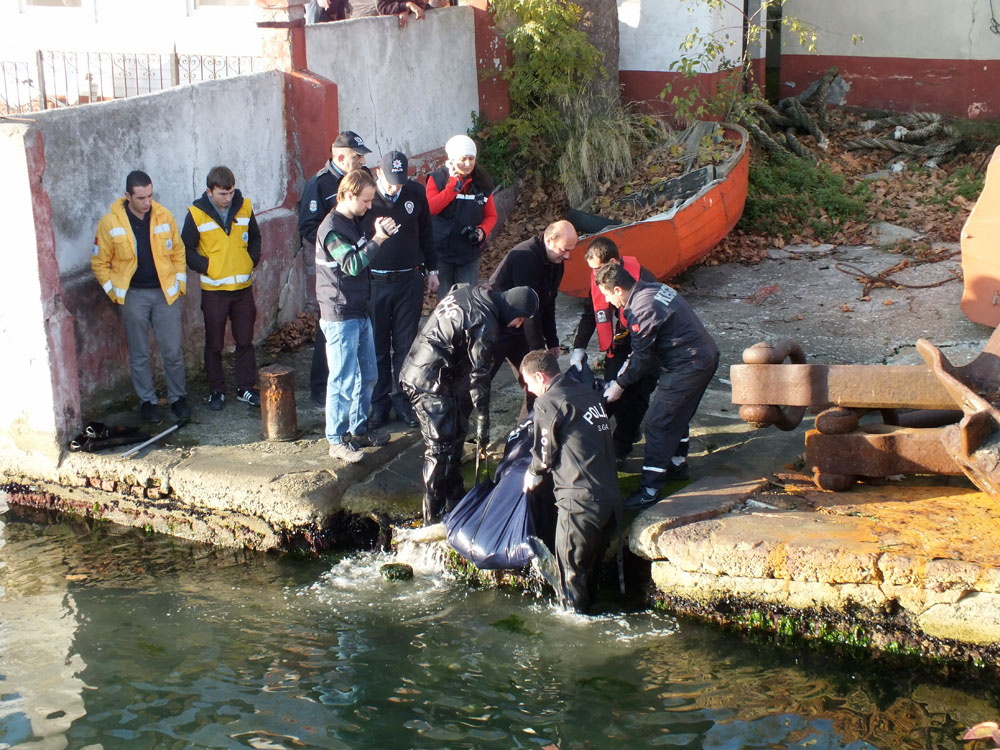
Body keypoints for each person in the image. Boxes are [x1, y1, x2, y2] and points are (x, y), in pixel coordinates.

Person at [400, 284, 539, 524]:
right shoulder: (486, 323)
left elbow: (454, 292)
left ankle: (455, 497)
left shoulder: (472, 292)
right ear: (512, 310)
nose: (517, 325)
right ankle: (431, 516)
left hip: (432, 372)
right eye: (519, 319)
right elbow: (480, 376)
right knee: (440, 447)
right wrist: (483, 420)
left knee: (457, 433)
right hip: (427, 381)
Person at [595, 263, 719, 509]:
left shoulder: (641, 307)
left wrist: (619, 385)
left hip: (688, 365)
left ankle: (650, 490)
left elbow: (642, 357)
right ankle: (676, 464)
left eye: (607, 295)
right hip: (699, 357)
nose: (608, 301)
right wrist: (623, 375)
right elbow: (642, 350)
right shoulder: (652, 288)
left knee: (658, 423)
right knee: (676, 414)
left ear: (618, 290)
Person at [520, 349, 622, 614]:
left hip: (579, 504)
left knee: (571, 579)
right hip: (611, 502)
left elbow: (544, 455)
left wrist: (532, 473)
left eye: (529, 383)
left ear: (541, 377)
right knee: (591, 575)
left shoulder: (548, 403)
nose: (530, 391)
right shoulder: (588, 393)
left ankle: (576, 636)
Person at [92, 170, 189, 424]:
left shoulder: (163, 215)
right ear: (127, 196)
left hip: (165, 293)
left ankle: (178, 398)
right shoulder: (110, 223)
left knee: (173, 351)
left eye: (150, 195)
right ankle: (148, 401)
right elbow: (99, 262)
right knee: (139, 353)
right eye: (141, 198)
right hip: (133, 295)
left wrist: (179, 284)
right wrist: (114, 292)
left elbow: (178, 252)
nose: (147, 202)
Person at [316, 169, 398, 463]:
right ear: (348, 195)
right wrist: (379, 238)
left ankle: (358, 430)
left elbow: (361, 251)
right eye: (365, 201)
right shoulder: (332, 228)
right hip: (339, 314)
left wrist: (378, 233)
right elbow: (351, 264)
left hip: (358, 309)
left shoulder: (352, 220)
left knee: (369, 375)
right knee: (342, 380)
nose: (369, 206)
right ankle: (336, 439)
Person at [569, 236, 658, 468]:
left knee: (635, 396)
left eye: (598, 268)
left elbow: (648, 343)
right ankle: (614, 435)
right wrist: (579, 347)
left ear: (613, 263)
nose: (595, 275)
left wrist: (625, 379)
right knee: (611, 393)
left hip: (645, 344)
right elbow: (591, 313)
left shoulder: (644, 285)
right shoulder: (598, 279)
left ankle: (621, 447)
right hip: (618, 344)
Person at [299, 130, 373, 404]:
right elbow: (308, 226)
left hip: (360, 263)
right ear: (341, 156)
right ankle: (320, 385)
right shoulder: (319, 184)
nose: (363, 160)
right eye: (358, 156)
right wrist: (336, 245)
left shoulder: (363, 180)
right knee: (332, 327)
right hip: (334, 269)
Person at [365, 150, 437, 429]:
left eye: (401, 181)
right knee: (378, 345)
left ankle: (404, 401)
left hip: (409, 280)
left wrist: (432, 269)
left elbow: (426, 233)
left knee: (406, 345)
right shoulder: (368, 198)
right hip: (376, 281)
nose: (396, 187)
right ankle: (379, 403)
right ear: (379, 173)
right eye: (391, 180)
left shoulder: (415, 193)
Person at [182, 165, 262, 411]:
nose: (227, 199)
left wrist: (251, 260)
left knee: (245, 341)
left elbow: (255, 237)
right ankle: (216, 391)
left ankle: (246, 388)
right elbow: (186, 249)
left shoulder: (245, 206)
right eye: (222, 194)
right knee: (214, 344)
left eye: (230, 193)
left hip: (242, 289)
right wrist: (207, 267)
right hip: (214, 290)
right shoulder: (196, 214)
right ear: (209, 191)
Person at [486, 219, 577, 413]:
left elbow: (548, 302)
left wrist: (552, 341)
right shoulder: (525, 257)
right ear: (550, 239)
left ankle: (532, 429)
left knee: (539, 383)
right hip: (499, 327)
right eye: (564, 249)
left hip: (522, 329)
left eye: (570, 250)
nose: (567, 256)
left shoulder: (557, 262)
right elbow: (530, 311)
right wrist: (538, 350)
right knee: (480, 381)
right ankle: (454, 432)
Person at [425, 134, 497, 299]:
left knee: (467, 301)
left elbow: (491, 215)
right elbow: (432, 208)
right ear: (451, 159)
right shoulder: (437, 179)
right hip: (442, 253)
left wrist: (482, 231)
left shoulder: (482, 183)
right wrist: (452, 185)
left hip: (468, 254)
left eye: (471, 159)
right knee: (446, 304)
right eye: (463, 159)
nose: (467, 164)